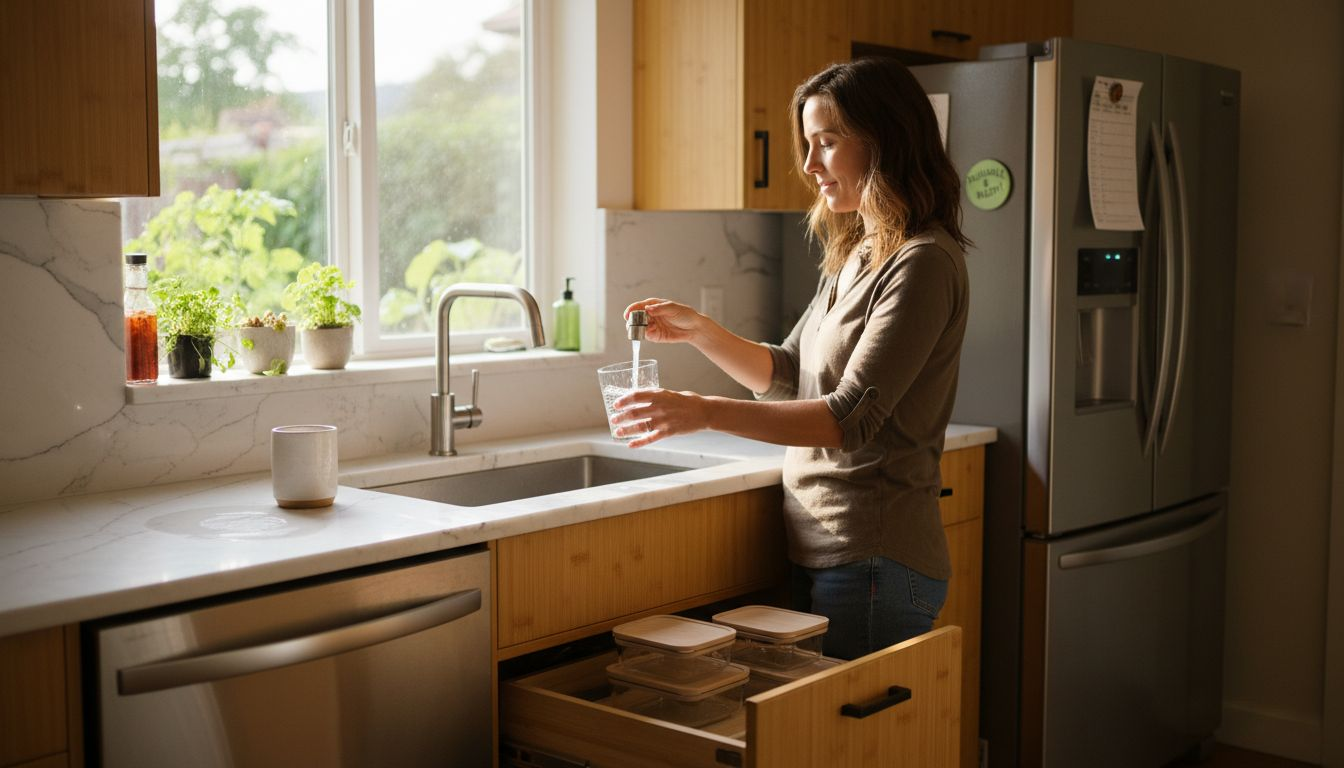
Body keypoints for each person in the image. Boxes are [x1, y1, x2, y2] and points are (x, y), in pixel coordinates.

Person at [611, 56, 971, 661]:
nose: (809, 166)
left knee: (850, 748)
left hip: (877, 559)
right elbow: (786, 374)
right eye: (808, 144)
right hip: (823, 548)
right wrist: (701, 332)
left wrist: (702, 411)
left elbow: (843, 420)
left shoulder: (922, 262)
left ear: (886, 142)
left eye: (826, 143)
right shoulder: (859, 252)